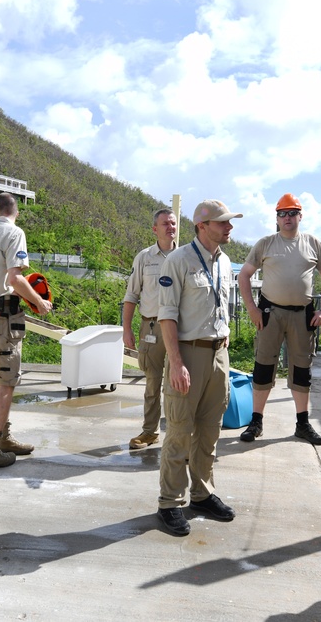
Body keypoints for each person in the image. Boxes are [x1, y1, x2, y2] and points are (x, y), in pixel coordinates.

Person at [154, 199, 242, 536]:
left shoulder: (225, 261)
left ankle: (202, 494)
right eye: (222, 222)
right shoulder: (178, 261)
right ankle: (169, 503)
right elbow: (167, 315)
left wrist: (224, 345)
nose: (229, 227)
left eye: (229, 222)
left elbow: (221, 307)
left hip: (218, 354)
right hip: (187, 355)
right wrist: (176, 363)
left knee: (210, 429)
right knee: (179, 429)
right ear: (202, 226)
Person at [237, 193, 321, 446]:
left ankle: (302, 424)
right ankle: (256, 421)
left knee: (302, 370)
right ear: (277, 218)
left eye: (292, 213)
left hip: (302, 316)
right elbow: (244, 276)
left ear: (300, 216)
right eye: (282, 213)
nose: (287, 217)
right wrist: (252, 309)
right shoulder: (266, 244)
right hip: (271, 314)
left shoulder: (313, 243)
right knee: (263, 367)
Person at [0, 192, 52, 471]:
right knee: (6, 382)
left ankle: (3, 438)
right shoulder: (14, 233)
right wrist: (39, 302)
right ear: (15, 212)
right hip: (3, 314)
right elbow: (14, 278)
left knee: (0, 375)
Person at [122, 208, 178, 450]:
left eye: (173, 223)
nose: (170, 227)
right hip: (152, 327)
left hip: (179, 329)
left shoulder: (186, 256)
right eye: (165, 223)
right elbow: (131, 295)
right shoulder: (144, 258)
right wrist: (127, 329)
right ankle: (149, 432)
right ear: (155, 228)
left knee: (178, 384)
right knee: (153, 382)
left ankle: (177, 434)